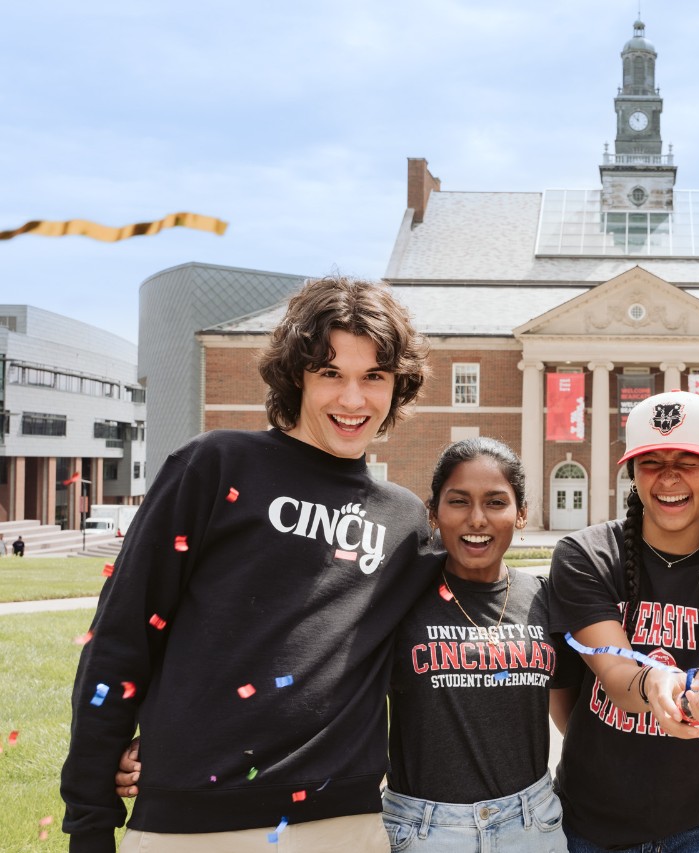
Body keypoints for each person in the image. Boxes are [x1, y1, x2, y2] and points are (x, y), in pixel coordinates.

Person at [62, 275, 433, 853]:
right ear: (296, 376)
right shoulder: (215, 466)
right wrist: (90, 816)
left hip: (342, 824)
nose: (354, 400)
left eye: (374, 377)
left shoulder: (406, 521)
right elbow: (122, 633)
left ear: (397, 386)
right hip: (189, 823)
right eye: (330, 374)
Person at [549, 390, 699, 852]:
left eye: (689, 460)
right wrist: (653, 685)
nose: (669, 477)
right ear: (633, 475)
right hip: (592, 825)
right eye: (651, 462)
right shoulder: (585, 556)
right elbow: (612, 673)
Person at [382, 437, 581, 852]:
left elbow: (570, 717)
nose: (477, 519)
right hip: (425, 831)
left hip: (531, 825)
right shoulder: (400, 600)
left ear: (521, 513)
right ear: (433, 513)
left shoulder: (545, 598)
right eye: (458, 502)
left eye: (495, 502)